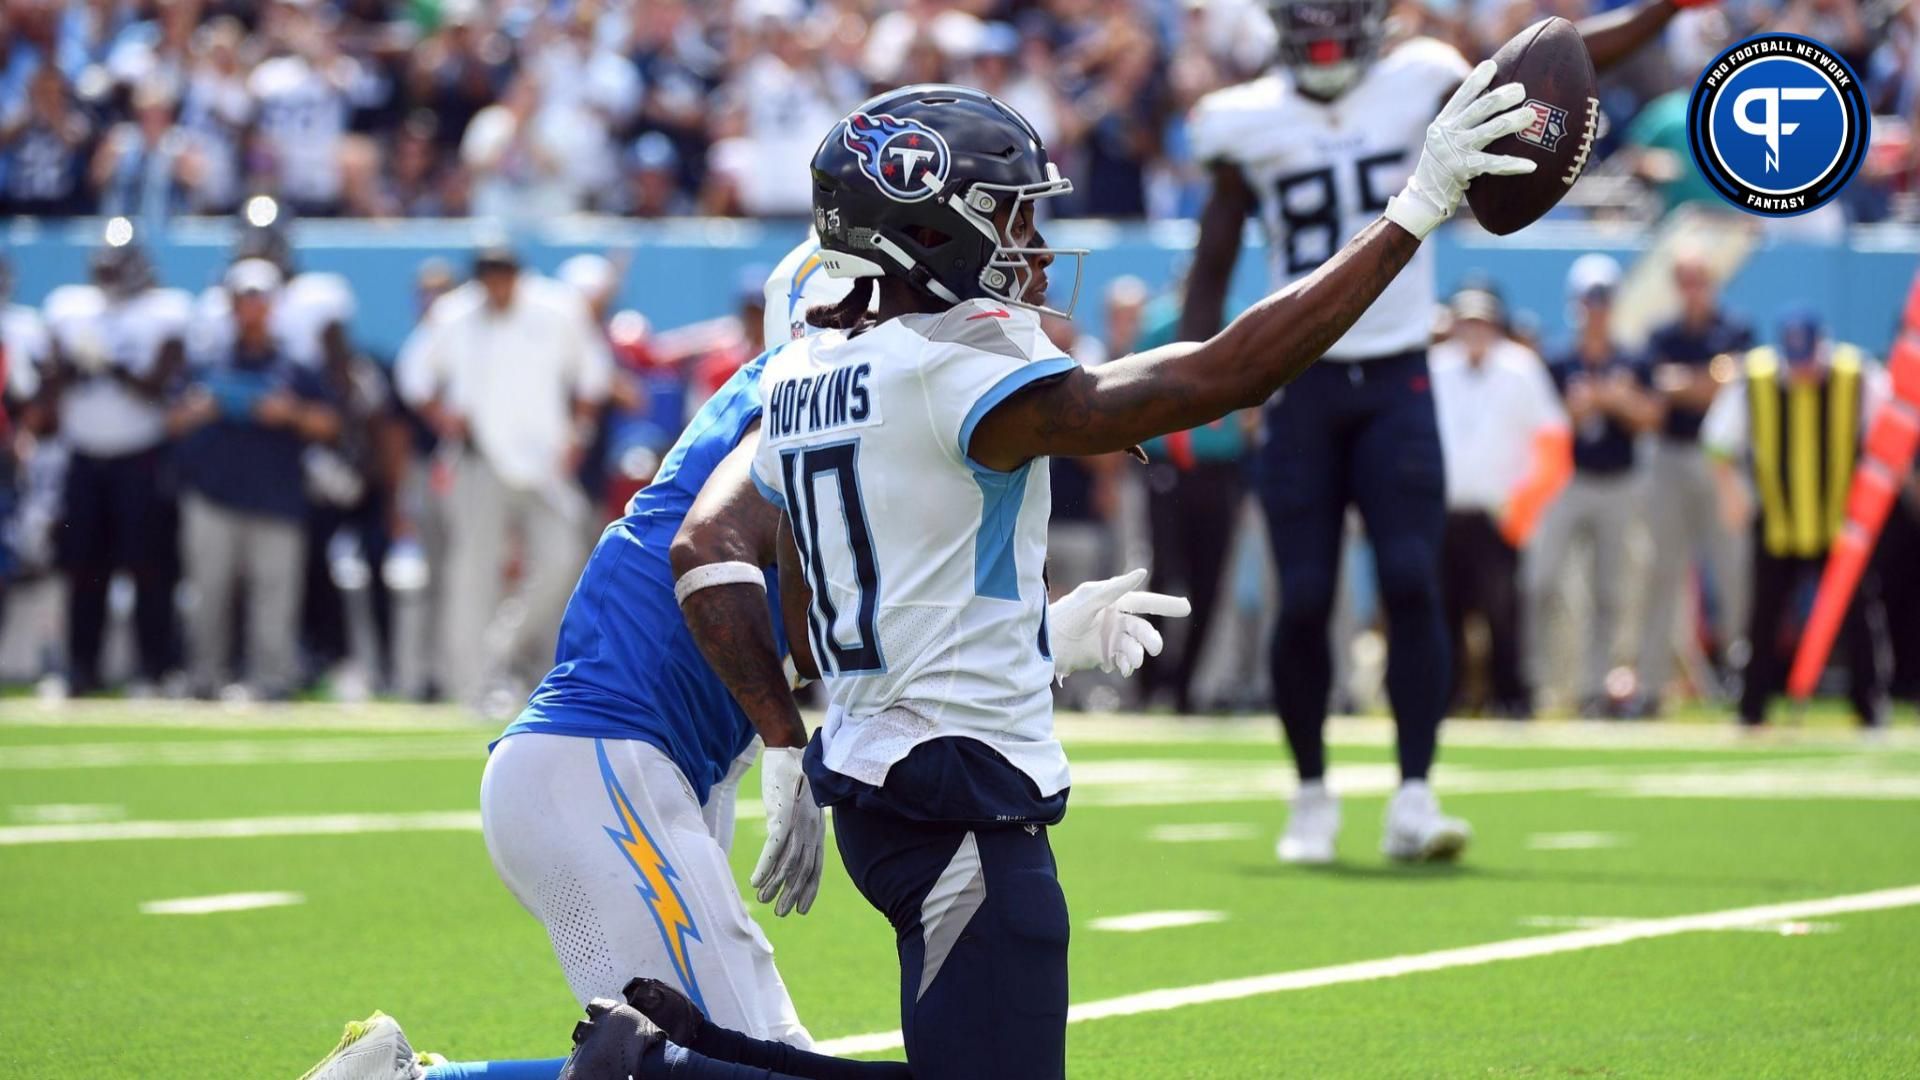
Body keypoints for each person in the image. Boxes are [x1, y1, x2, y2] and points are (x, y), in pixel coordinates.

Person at [647, 76, 1535, 1080]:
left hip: (886, 786)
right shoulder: (953, 364)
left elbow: (771, 569)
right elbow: (1221, 375)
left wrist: (1016, 646)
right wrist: (1413, 210)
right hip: (960, 798)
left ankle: (674, 1063)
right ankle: (662, 1069)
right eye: (1007, 217)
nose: (1028, 245)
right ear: (925, 225)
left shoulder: (812, 370)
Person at [1178, 0, 1694, 864]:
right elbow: (1214, 260)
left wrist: (1664, 11)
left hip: (1396, 373)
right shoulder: (1243, 119)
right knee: (1302, 596)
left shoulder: (1420, 76)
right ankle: (1310, 793)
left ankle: (1414, 793)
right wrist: (1195, 381)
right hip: (1296, 378)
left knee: (1414, 578)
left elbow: (1557, 67)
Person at [393, 244, 611, 709]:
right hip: (478, 459)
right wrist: (441, 417)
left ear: (518, 273)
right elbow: (413, 375)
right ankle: (471, 686)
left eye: (503, 272)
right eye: (487, 274)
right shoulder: (454, 314)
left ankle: (499, 652)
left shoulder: (557, 309)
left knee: (562, 559)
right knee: (472, 572)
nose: (495, 283)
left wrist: (579, 432)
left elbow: (594, 375)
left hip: (544, 464)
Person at [1702, 312, 1892, 728]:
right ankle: (1752, 708)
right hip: (1778, 520)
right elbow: (1717, 442)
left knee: (1857, 615)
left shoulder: (1858, 375)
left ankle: (1870, 706)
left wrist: (1870, 501)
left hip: (1839, 523)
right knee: (1764, 619)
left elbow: (1888, 438)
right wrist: (1732, 494)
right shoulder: (1753, 378)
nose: (1803, 370)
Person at [169, 259, 342, 699]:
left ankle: (272, 681)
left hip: (276, 497)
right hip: (214, 494)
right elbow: (170, 421)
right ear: (231, 306)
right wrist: (202, 408)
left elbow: (330, 424)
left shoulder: (296, 364)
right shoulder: (207, 361)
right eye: (244, 300)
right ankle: (203, 678)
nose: (252, 309)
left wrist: (291, 414)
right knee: (208, 594)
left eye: (259, 300)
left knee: (275, 598)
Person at [36, 226, 189, 695]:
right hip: (84, 460)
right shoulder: (70, 308)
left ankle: (154, 669)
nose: (111, 275)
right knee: (83, 568)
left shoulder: (164, 311)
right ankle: (82, 667)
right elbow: (50, 390)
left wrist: (113, 368)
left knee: (148, 568)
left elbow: (161, 387)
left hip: (140, 458)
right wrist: (70, 368)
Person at [1529, 255, 1663, 717]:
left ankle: (1592, 688)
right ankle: (1541, 681)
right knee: (1541, 580)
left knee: (1611, 592)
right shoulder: (1557, 360)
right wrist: (1581, 410)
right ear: (1577, 303)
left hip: (1619, 483)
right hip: (1569, 481)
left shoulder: (1634, 359)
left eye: (1604, 299)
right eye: (1591, 299)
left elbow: (1651, 417)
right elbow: (1542, 426)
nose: (1597, 309)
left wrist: (1611, 400)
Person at [1430, 287, 1571, 718]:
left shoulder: (1521, 370)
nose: (1474, 331)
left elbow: (1554, 443)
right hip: (1446, 510)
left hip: (1499, 514)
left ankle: (1510, 697)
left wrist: (1523, 507)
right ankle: (1445, 697)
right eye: (1467, 322)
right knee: (1444, 610)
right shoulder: (1435, 368)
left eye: (1482, 322)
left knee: (1503, 611)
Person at [1632, 250, 1753, 716]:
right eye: (1683, 279)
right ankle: (1649, 686)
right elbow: (1658, 389)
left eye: (1698, 279)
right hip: (1670, 457)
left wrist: (1684, 384)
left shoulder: (1735, 329)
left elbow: (1732, 387)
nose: (1691, 288)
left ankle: (1743, 675)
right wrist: (1705, 380)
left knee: (1733, 571)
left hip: (1719, 460)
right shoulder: (1662, 334)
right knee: (1662, 573)